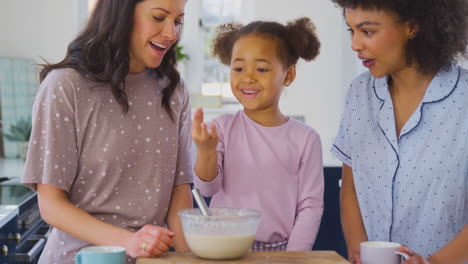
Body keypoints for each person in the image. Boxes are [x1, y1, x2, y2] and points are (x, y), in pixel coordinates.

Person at [22, 0, 194, 263]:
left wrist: (188, 258)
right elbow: (52, 206)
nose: (171, 33)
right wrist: (130, 241)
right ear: (121, 13)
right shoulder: (66, 86)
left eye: (178, 21)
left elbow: (179, 193)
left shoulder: (173, 90)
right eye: (159, 17)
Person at [329, 0, 468, 263]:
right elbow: (350, 187)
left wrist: (432, 262)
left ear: (413, 27)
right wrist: (361, 253)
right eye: (351, 31)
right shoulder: (360, 93)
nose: (355, 44)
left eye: (367, 31)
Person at [192, 17, 324, 251]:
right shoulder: (220, 129)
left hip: (281, 252)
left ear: (288, 75)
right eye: (238, 68)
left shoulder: (306, 139)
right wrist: (205, 151)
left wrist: (293, 257)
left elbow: (310, 206)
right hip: (224, 247)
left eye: (262, 69)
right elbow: (206, 190)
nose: (248, 77)